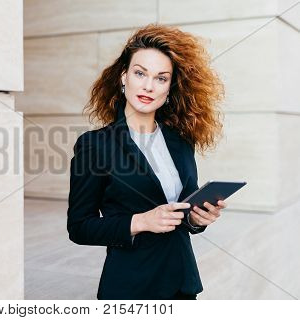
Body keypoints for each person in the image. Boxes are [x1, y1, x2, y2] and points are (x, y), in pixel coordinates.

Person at [67, 24, 227, 300]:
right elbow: (80, 227)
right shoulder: (95, 145)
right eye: (140, 73)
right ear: (123, 77)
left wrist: (198, 219)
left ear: (169, 88)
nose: (148, 86)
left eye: (161, 78)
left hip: (182, 283)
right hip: (131, 287)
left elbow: (184, 212)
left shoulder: (181, 142)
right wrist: (140, 221)